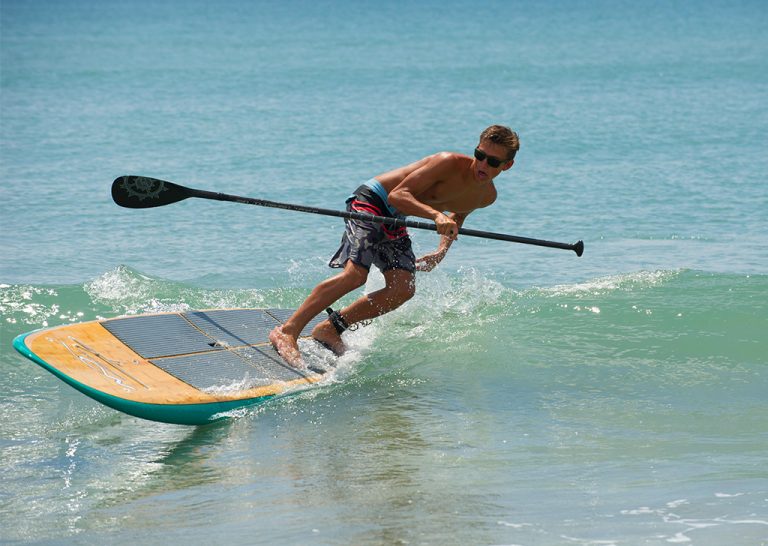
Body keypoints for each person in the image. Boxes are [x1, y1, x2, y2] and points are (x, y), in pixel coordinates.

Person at [269, 125, 520, 366]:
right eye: (480, 155)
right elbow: (397, 195)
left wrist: (441, 251)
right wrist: (435, 216)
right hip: (371, 201)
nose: (483, 164)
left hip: (395, 218)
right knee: (355, 275)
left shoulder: (487, 197)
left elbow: (458, 216)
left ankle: (330, 328)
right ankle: (287, 331)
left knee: (402, 289)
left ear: (507, 166)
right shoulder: (448, 162)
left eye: (493, 162)